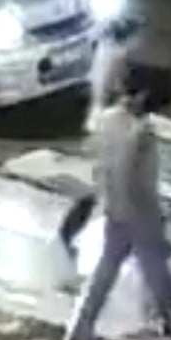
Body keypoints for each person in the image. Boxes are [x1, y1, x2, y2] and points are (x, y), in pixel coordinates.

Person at [62, 67, 171, 340]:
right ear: (140, 96)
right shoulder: (138, 131)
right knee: (146, 268)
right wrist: (142, 214)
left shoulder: (106, 120)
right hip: (137, 211)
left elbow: (102, 167)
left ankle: (82, 331)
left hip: (117, 208)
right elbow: (130, 174)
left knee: (138, 269)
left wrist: (112, 205)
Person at [57, 18, 141, 261]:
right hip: (109, 128)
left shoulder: (105, 50)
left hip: (99, 124)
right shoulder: (118, 56)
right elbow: (114, 93)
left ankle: (72, 234)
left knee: (103, 188)